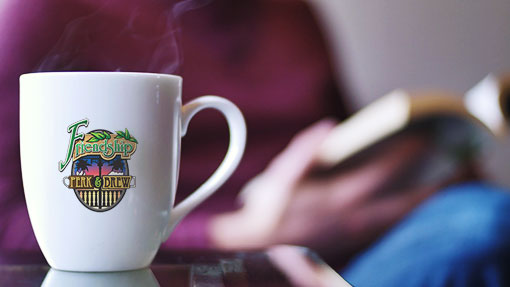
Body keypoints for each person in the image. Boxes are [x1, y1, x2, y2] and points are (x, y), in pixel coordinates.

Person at [1, 0, 510, 286]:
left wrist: (423, 161)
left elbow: (338, 131)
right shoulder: (40, 16)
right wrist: (233, 231)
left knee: (484, 214)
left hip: (337, 251)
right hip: (197, 270)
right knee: (482, 226)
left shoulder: (291, 14)